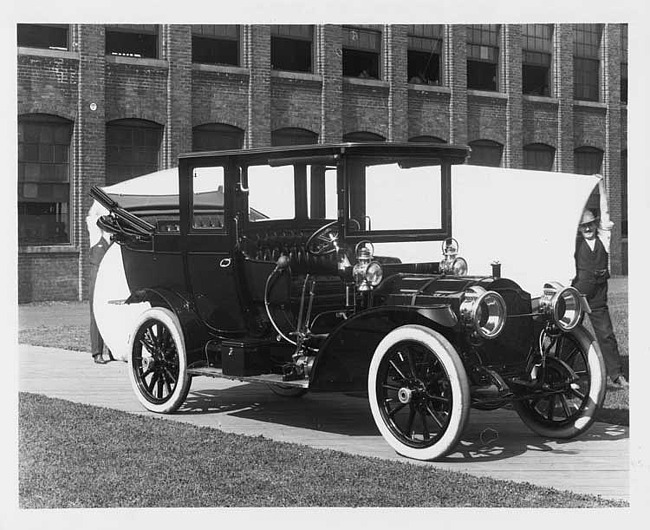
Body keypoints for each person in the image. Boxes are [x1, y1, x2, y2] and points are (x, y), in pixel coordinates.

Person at [572, 176, 628, 388]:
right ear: (579, 228)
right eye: (583, 226)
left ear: (596, 225)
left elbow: (605, 212)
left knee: (606, 333)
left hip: (598, 295)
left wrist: (601, 187)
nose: (587, 229)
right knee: (571, 332)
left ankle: (616, 375)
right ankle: (568, 376)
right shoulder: (574, 243)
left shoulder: (604, 237)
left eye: (590, 225)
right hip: (578, 293)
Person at [86, 201, 112, 365]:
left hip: (111, 275)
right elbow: (91, 218)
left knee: (112, 310)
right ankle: (97, 352)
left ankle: (112, 349)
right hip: (97, 274)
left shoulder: (113, 237)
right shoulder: (95, 234)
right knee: (96, 311)